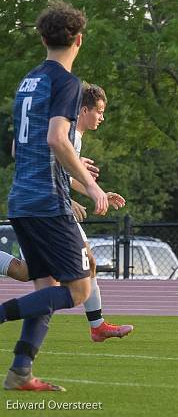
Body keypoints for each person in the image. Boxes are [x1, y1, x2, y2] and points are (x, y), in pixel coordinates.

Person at [0, 0, 109, 392]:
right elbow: (57, 139)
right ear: (78, 39)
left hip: (22, 198)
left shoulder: (28, 81)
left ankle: (20, 372)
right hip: (48, 201)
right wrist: (92, 185)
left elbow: (17, 148)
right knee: (79, 289)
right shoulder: (67, 82)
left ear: (43, 38)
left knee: (45, 290)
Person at [0, 83, 134, 342]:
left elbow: (64, 173)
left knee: (26, 272)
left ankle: (97, 326)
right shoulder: (68, 132)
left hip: (48, 206)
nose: (102, 118)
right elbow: (41, 164)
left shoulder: (72, 135)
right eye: (99, 111)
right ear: (84, 110)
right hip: (49, 209)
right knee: (81, 268)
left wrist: (97, 192)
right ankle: (97, 326)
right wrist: (64, 197)